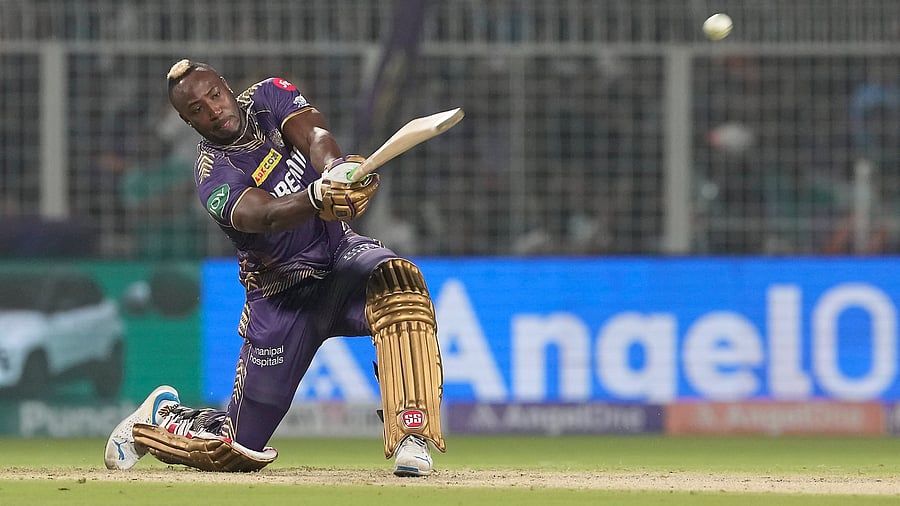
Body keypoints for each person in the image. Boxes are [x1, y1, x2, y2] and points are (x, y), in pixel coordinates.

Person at [104, 59, 446, 476]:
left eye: (214, 95)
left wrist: (335, 169)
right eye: (197, 109)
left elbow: (315, 133)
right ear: (187, 121)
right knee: (236, 450)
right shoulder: (214, 175)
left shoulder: (268, 97)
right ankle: (158, 419)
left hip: (340, 257)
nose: (213, 110)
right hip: (281, 298)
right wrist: (318, 196)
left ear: (226, 87)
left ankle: (413, 435)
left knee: (401, 289)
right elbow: (264, 216)